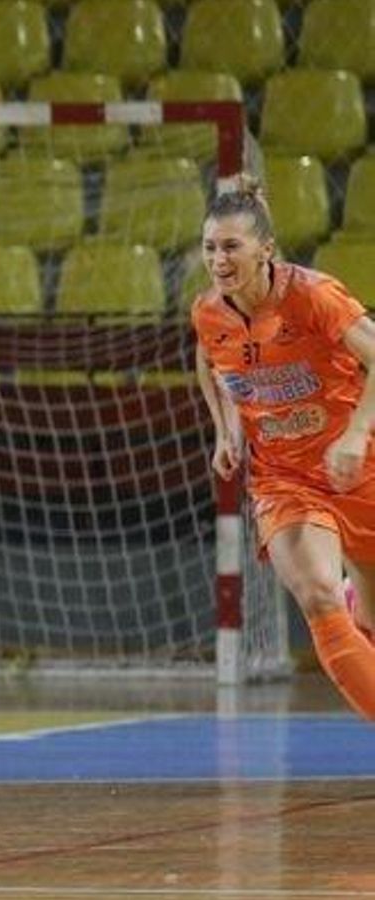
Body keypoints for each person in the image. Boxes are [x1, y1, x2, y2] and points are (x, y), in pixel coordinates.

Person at [193, 176, 375, 721]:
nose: (218, 260)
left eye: (231, 246)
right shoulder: (208, 312)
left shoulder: (314, 296)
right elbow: (212, 362)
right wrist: (227, 429)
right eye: (209, 248)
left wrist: (356, 433)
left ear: (265, 249)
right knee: (317, 593)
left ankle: (358, 608)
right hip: (283, 478)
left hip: (356, 465)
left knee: (365, 614)